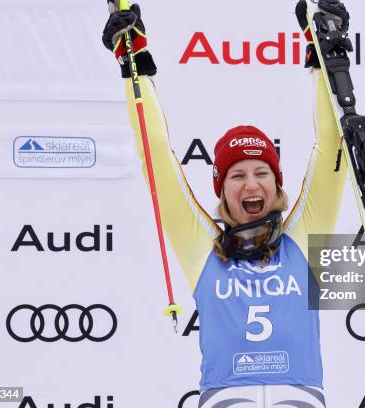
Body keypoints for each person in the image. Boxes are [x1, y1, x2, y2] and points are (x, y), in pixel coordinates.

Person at [102, 2, 347, 406]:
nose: (251, 184)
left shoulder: (301, 239)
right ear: (221, 189)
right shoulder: (201, 246)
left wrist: (323, 52)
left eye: (261, 173)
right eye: (237, 175)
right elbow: (157, 155)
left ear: (276, 183)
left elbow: (331, 141)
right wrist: (134, 63)